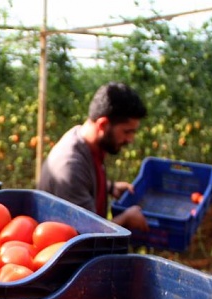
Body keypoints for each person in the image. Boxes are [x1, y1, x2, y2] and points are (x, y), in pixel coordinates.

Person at [38, 82, 149, 232]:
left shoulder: (89, 142)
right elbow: (88, 235)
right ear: (102, 124)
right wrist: (126, 218)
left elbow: (86, 177)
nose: (130, 139)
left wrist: (110, 187)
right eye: (127, 132)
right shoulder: (70, 166)